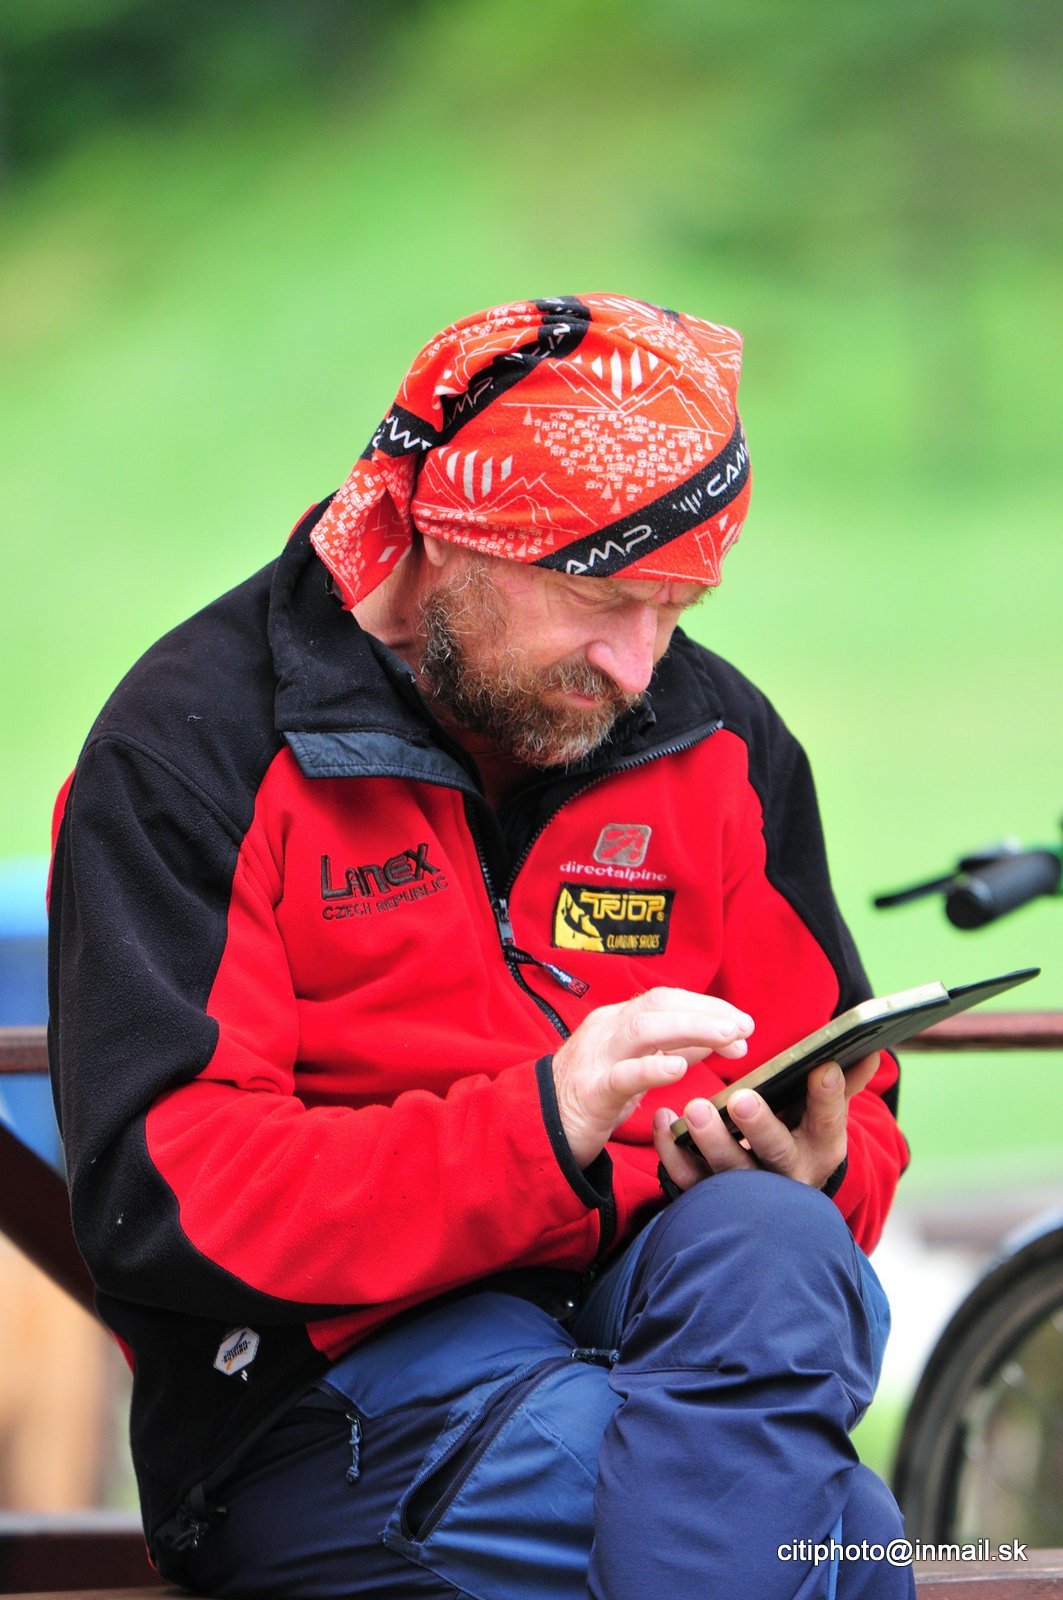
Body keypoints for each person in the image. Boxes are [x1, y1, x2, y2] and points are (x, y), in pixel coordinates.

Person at [49, 293, 914, 1599]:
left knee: (776, 1246)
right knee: (801, 1530)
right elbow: (167, 1197)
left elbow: (861, 1098)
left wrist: (824, 1166)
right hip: (319, 1393)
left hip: (652, 1333)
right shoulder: (187, 752)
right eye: (604, 597)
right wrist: (543, 1124)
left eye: (677, 605)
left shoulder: (719, 738)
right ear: (447, 537)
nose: (640, 666)